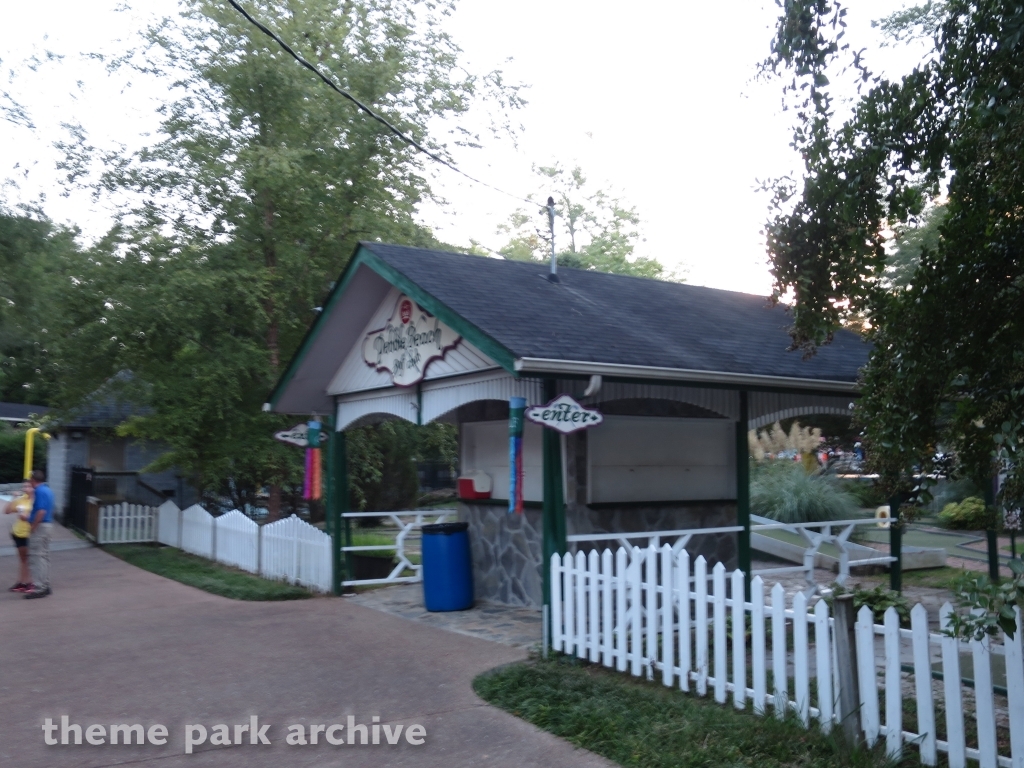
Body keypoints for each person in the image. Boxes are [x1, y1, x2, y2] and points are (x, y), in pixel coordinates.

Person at [23, 469, 54, 599]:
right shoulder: (48, 490)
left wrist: (33, 527)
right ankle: (45, 584)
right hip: (48, 526)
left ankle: (39, 587)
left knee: (36, 557)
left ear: (33, 480)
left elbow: (41, 511)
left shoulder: (39, 491)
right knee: (44, 556)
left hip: (40, 527)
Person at [4, 482, 34, 593]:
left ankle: (29, 582)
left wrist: (27, 517)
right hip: (18, 532)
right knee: (22, 559)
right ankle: (22, 582)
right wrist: (13, 498)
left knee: (27, 559)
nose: (26, 488)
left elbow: (38, 515)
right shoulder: (22, 499)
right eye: (24, 486)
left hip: (29, 533)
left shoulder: (35, 501)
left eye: (28, 486)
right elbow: (7, 511)